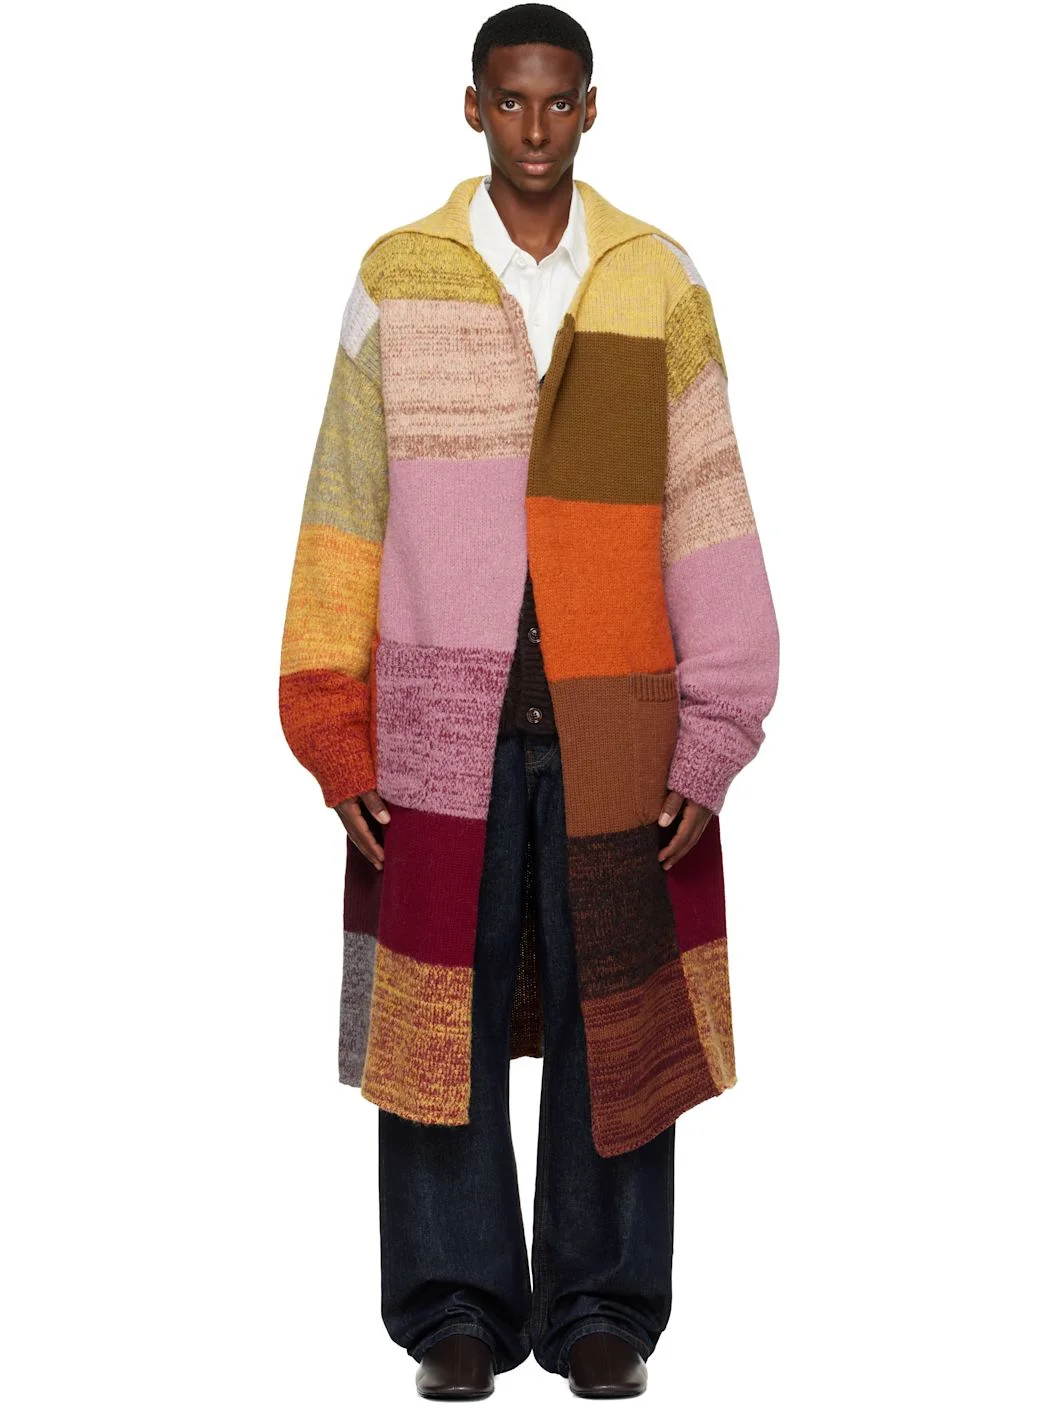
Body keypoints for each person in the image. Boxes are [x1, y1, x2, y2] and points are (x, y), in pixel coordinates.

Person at [279, 2, 780, 1399]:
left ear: (593, 108)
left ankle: (603, 1307)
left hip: (619, 717)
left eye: (560, 101)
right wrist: (332, 724)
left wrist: (714, 730)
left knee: (618, 1009)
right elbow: (344, 505)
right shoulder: (399, 277)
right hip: (438, 718)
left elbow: (709, 501)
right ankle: (453, 1307)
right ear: (472, 108)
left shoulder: (655, 279)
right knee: (433, 1021)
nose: (536, 128)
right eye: (510, 100)